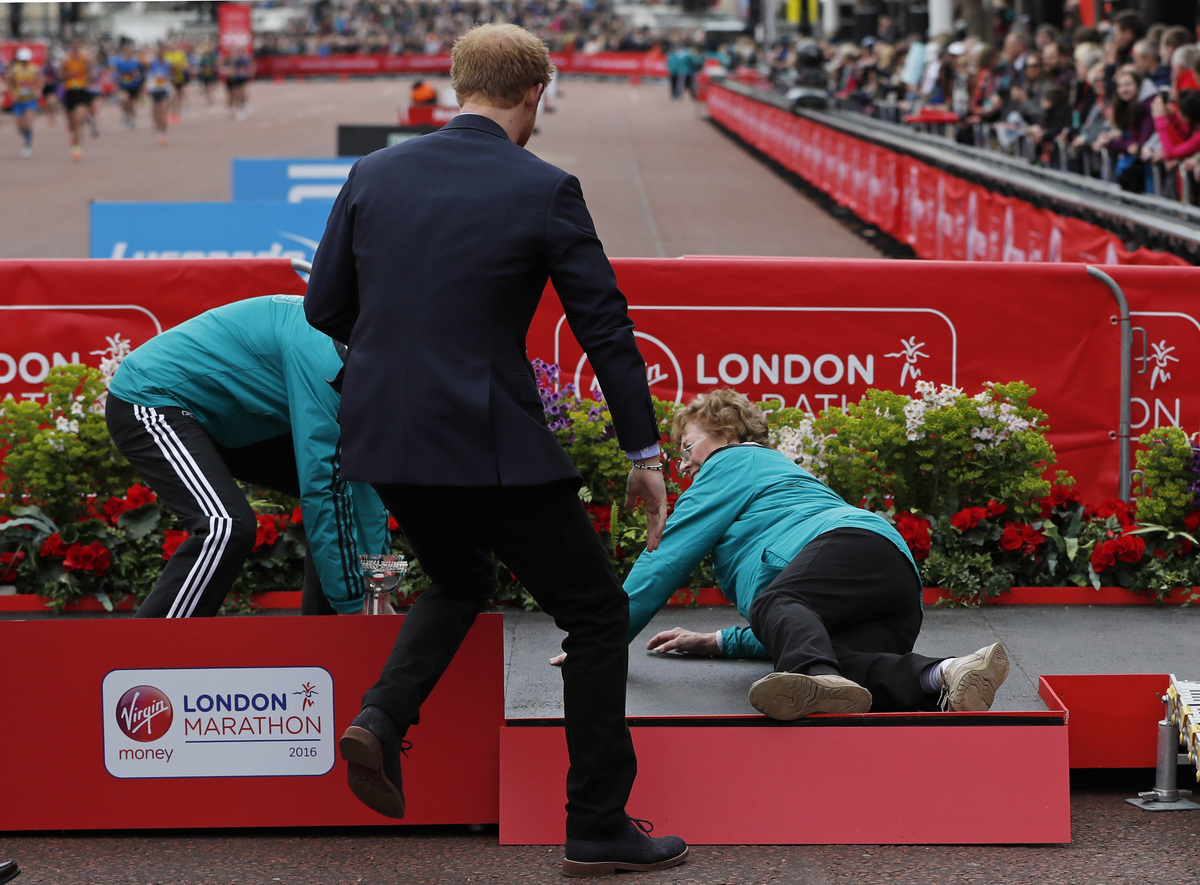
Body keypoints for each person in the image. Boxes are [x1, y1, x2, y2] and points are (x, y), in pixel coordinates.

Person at [304, 22, 687, 877]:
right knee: (594, 613)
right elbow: (607, 332)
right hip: (483, 433)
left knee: (460, 577)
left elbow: (323, 308)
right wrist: (645, 454)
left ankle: (381, 718)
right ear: (534, 94)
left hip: (379, 432)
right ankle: (597, 821)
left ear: (454, 83)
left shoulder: (373, 172)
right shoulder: (545, 186)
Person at [598, 389, 1011, 719]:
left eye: (687, 449)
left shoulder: (732, 459)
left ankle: (818, 679)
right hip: (892, 584)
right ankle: (947, 673)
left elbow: (666, 552)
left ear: (725, 432)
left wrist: (602, 640)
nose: (683, 465)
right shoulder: (771, 472)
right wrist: (719, 641)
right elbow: (796, 628)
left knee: (780, 607)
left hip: (848, 544)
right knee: (840, 661)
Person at [105, 295, 390, 618]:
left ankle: (325, 647)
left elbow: (365, 487)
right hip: (150, 397)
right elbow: (322, 484)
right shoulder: (328, 365)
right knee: (225, 526)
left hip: (231, 418)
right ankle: (145, 659)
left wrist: (379, 588)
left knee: (350, 488)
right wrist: (355, 606)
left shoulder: (373, 366)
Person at [6, 47, 43, 159]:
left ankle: (27, 144)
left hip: (30, 100)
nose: (24, 62)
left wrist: (38, 91)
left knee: (28, 122)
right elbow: (10, 82)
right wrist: (12, 93)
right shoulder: (14, 70)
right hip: (18, 101)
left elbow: (40, 81)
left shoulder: (34, 69)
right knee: (20, 127)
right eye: (22, 60)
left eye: (25, 60)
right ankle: (25, 136)